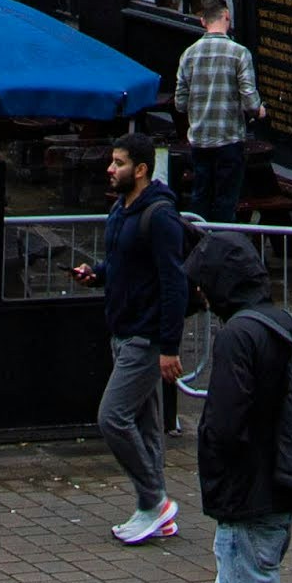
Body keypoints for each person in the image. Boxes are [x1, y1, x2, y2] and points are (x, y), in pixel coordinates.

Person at [186, 230, 292, 583]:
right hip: (280, 487)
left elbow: (224, 423)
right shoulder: (286, 324)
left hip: (246, 496)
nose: (201, 292)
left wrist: (216, 470)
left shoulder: (238, 336)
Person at [96, 133, 190, 546]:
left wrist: (169, 346)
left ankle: (154, 501)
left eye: (118, 163)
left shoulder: (160, 216)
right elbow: (123, 263)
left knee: (112, 416)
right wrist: (97, 273)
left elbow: (174, 282)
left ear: (140, 169)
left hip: (144, 336)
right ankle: (157, 511)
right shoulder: (121, 209)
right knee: (146, 423)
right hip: (122, 329)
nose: (110, 169)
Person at [170, 0, 259, 234]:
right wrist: (259, 110)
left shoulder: (188, 54)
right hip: (229, 138)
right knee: (226, 199)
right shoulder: (239, 53)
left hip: (200, 138)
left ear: (202, 21)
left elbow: (179, 102)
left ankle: (197, 245)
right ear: (227, 17)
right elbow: (250, 99)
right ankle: (222, 248)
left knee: (200, 195)